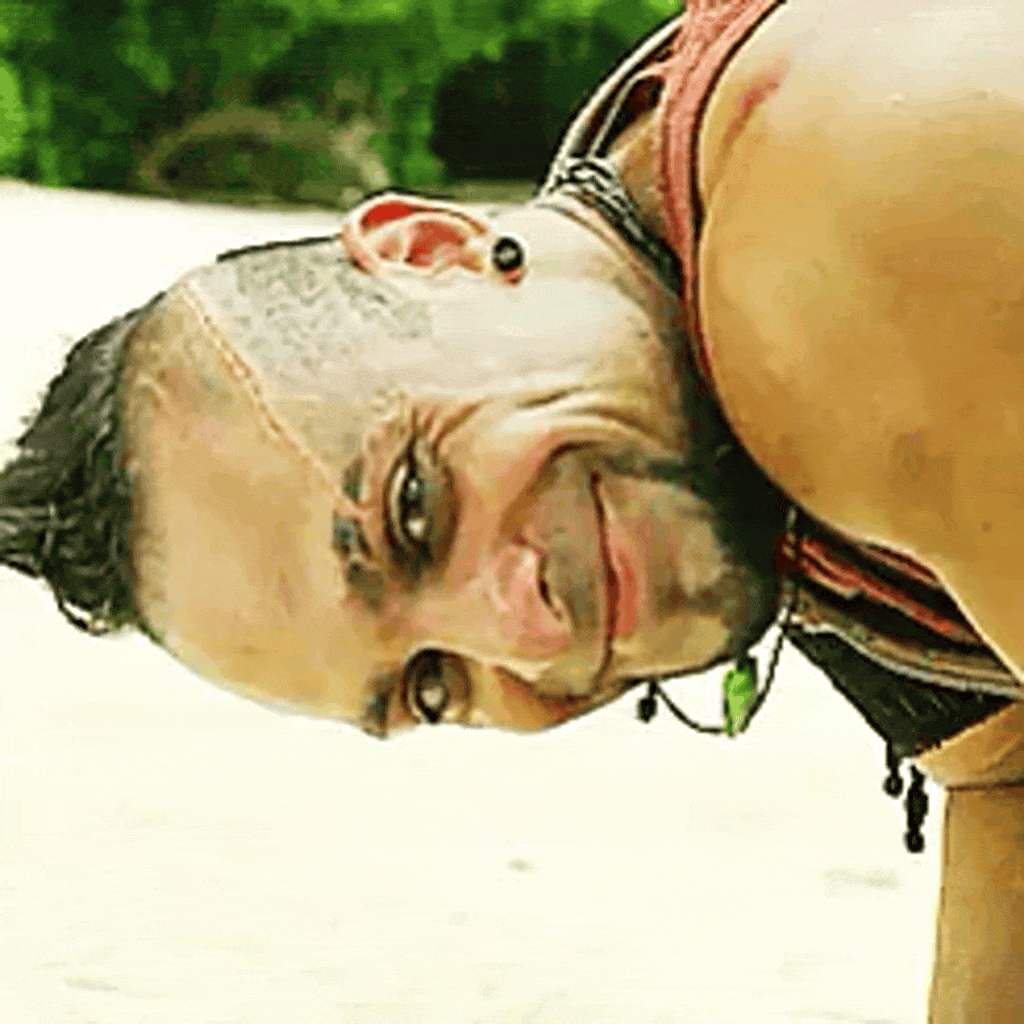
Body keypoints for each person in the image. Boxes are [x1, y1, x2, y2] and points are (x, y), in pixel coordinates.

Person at [2, 1, 1022, 1019]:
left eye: (415, 511)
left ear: (429, 248)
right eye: (432, 682)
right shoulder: (693, 397)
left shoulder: (828, 248)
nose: (534, 639)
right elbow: (1000, 770)